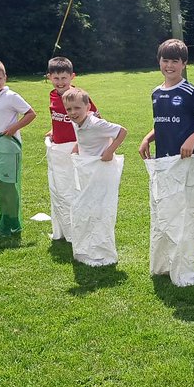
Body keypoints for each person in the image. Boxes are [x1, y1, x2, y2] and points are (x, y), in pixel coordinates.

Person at [138, 39, 194, 286]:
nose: (169, 65)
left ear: (184, 64)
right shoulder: (156, 93)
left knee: (183, 215)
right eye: (165, 60)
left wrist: (192, 140)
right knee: (163, 213)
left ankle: (184, 271)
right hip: (163, 161)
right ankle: (163, 265)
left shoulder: (190, 92)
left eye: (175, 61)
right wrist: (148, 138)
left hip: (185, 162)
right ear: (159, 61)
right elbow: (162, 123)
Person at [63, 86, 127, 265]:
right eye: (69, 109)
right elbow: (83, 137)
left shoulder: (96, 124)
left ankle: (102, 251)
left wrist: (109, 151)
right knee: (88, 208)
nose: (73, 113)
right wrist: (77, 147)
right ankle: (90, 245)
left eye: (77, 108)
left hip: (102, 171)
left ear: (88, 107)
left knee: (100, 209)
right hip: (88, 170)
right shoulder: (76, 122)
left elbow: (122, 131)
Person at [0, 58, 36, 236]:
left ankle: (12, 221)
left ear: (5, 78)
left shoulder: (11, 96)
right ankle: (3, 216)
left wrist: (14, 128)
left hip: (9, 149)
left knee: (8, 186)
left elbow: (31, 113)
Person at [43, 56, 96, 242]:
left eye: (64, 78)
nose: (60, 82)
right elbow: (59, 117)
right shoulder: (52, 95)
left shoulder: (78, 96)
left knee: (73, 190)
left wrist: (80, 143)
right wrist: (54, 130)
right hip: (58, 150)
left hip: (74, 149)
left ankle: (78, 230)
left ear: (72, 77)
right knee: (59, 190)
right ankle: (64, 229)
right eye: (56, 78)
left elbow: (94, 119)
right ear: (49, 77)